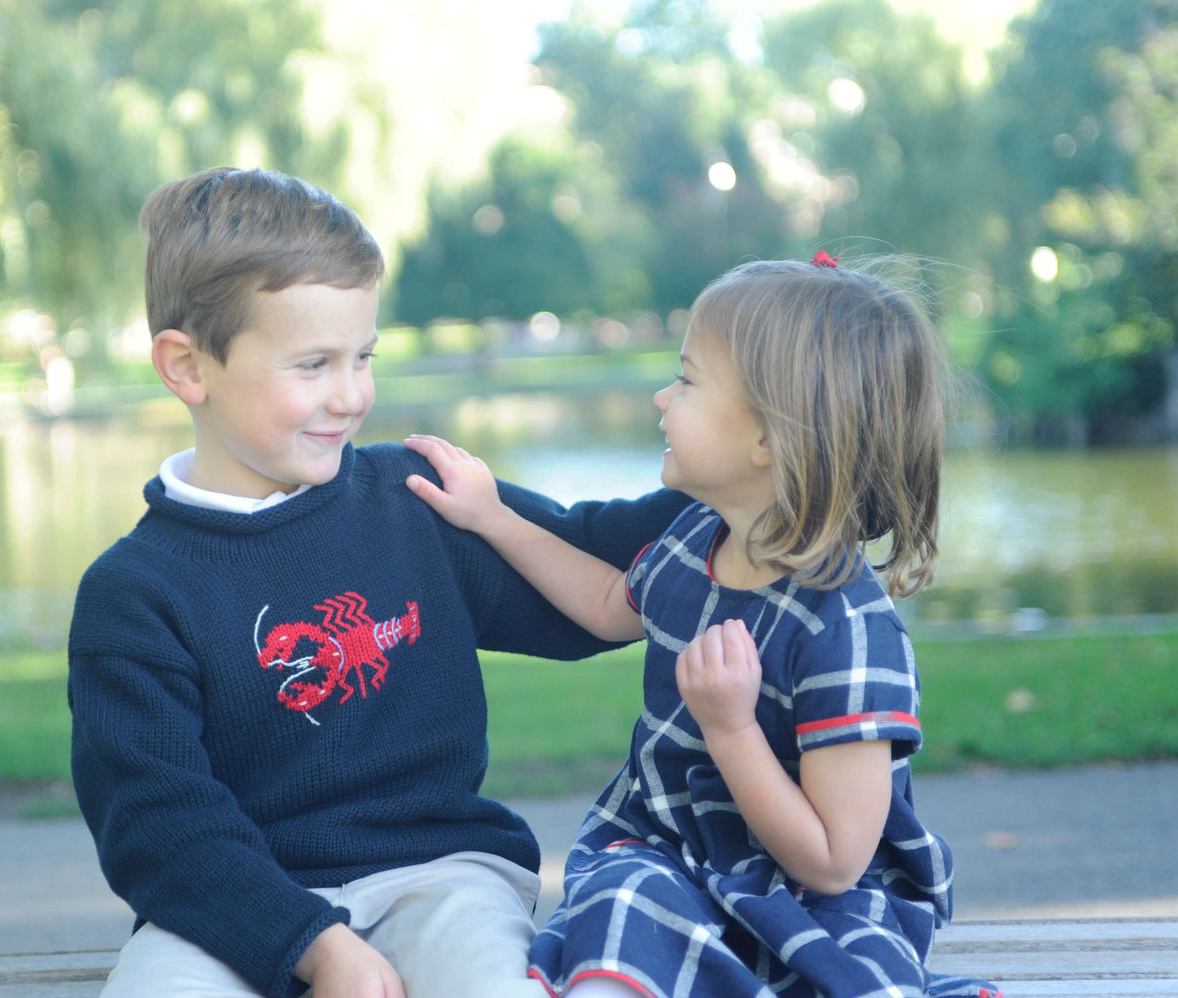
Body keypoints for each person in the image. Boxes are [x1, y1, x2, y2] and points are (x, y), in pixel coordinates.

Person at [66, 166, 687, 998]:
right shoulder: (135, 594)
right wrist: (311, 944)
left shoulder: (415, 501)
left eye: (363, 357)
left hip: (442, 877)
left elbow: (583, 560)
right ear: (188, 367)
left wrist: (746, 486)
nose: (352, 395)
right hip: (232, 905)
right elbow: (157, 822)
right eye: (313, 364)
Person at [404, 254, 1001, 998]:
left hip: (811, 897)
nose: (660, 396)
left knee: (840, 975)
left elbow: (835, 860)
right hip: (672, 856)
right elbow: (604, 605)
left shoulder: (846, 630)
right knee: (622, 901)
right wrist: (493, 517)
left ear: (768, 439)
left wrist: (732, 730)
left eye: (686, 381)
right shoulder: (696, 540)